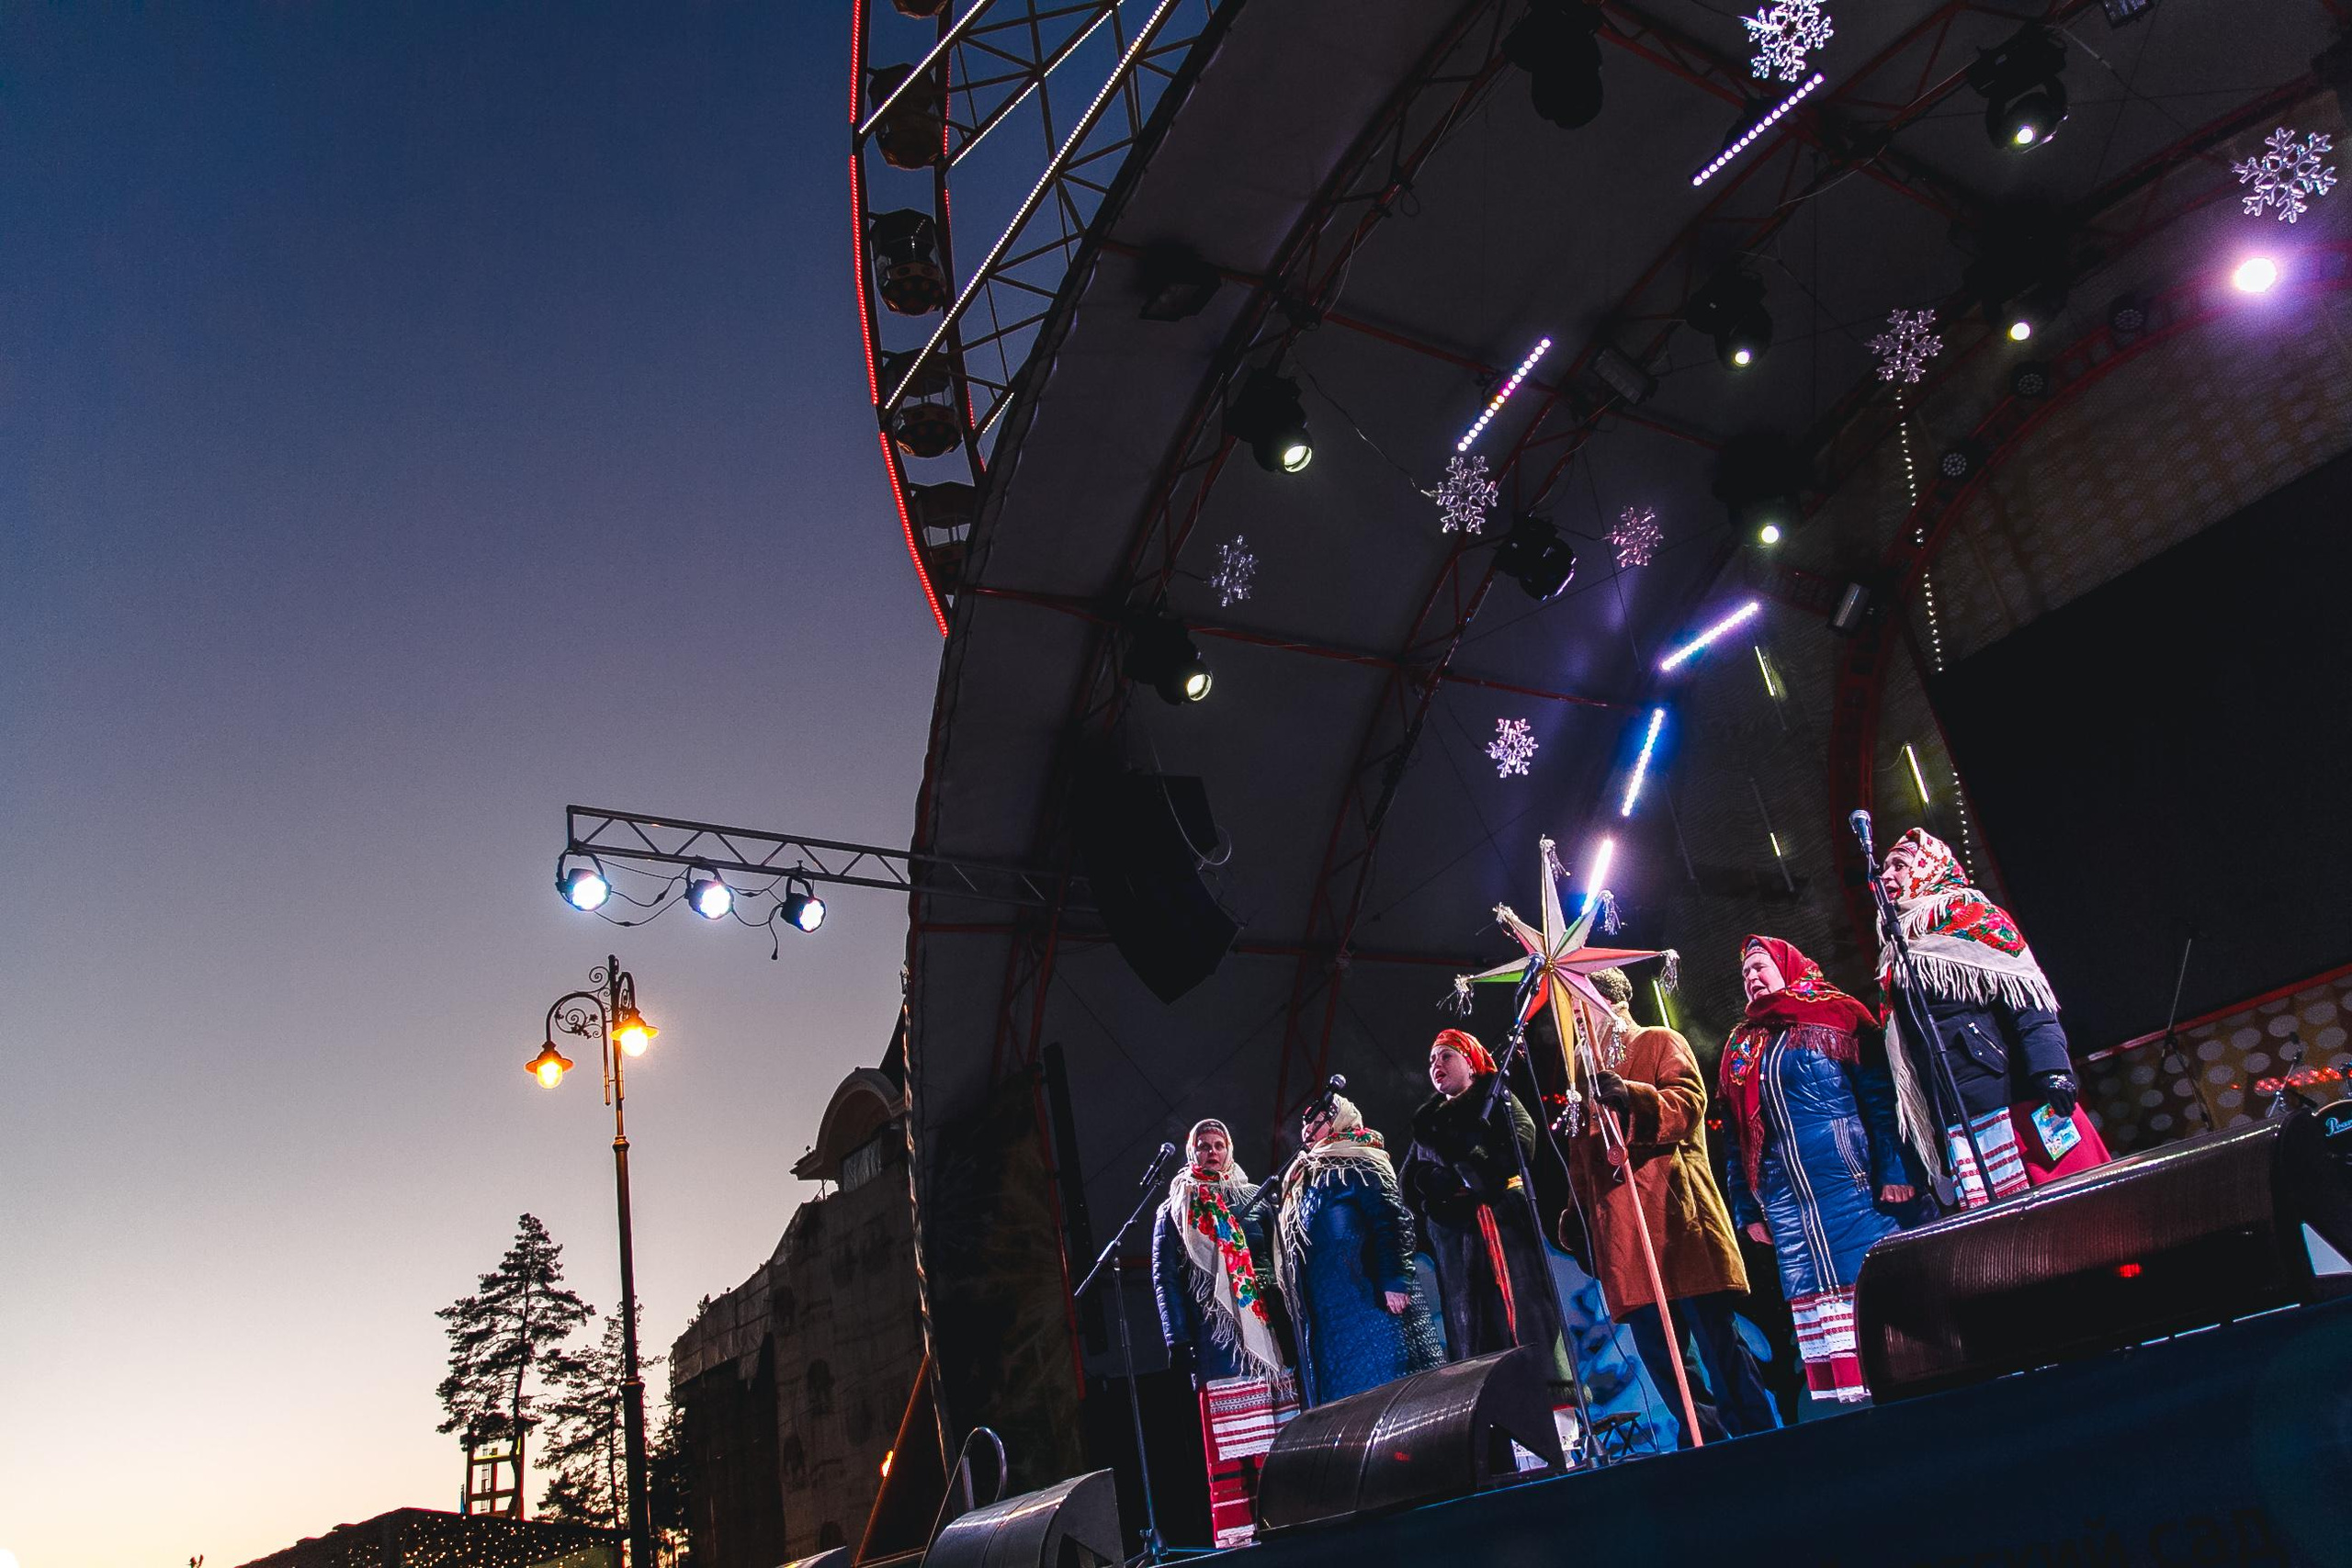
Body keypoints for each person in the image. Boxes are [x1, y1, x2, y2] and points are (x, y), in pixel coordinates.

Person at [1559, 970, 1778, 1443]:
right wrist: (1580, 1220)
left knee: (1717, 1340)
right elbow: (1582, 1160)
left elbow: (1689, 1103)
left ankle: (1757, 1435)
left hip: (1677, 1217)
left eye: (1581, 1007)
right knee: (1661, 1352)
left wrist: (1633, 1095)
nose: (1576, 1020)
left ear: (1610, 1002)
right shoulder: (1582, 1079)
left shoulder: (1657, 1040)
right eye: (1571, 1012)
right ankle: (1703, 1439)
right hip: (1625, 1232)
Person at [1719, 936, 1916, 1406]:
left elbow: (1881, 1098)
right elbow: (1735, 1135)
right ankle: (1855, 1419)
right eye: (1745, 973)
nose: (1752, 977)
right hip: (1788, 1205)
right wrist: (1747, 1206)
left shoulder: (1837, 1013)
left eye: (1760, 966)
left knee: (1876, 1296)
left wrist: (1894, 1167)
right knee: (1824, 1325)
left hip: (1855, 1188)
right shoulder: (1741, 1047)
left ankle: (1911, 1395)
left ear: (1788, 966)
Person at [1876, 828, 2110, 1208]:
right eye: (1884, 869)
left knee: (2067, 1208)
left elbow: (2028, 999)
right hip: (1957, 1107)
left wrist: (2052, 1069)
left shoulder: (1972, 913)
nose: (1886, 877)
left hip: (2011, 1096)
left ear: (1928, 868)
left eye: (1898, 866)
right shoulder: (1894, 946)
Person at [1398, 1029, 1571, 1392]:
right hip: (1456, 1243)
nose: (1437, 1065)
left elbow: (1522, 1143)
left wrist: (1476, 1173)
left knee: (1522, 1316)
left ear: (1471, 1063)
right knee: (1469, 1326)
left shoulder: (1496, 1099)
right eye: (1432, 1060)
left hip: (1504, 1228)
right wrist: (1440, 1184)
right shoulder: (1427, 1123)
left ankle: (1550, 1405)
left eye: (1447, 1056)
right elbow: (1410, 1181)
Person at [1150, 1118, 1295, 1549]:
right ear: (1190, 1151)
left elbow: (1278, 1259)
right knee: (1234, 1450)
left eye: (1218, 1145)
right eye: (1203, 1146)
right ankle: (1239, 1544)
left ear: (1228, 1149)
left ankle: (1287, 1527)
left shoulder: (1254, 1198)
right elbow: (1166, 1281)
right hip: (1217, 1344)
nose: (1211, 1152)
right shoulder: (1174, 1209)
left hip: (1266, 1339)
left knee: (1275, 1442)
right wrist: (1176, 1338)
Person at [1274, 1095, 1443, 1406]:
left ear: (1341, 1119)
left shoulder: (1361, 1159)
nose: (1309, 1128)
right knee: (1346, 1399)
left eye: (1319, 1120)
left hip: (1369, 1297)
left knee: (1386, 1388)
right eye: (1306, 1123)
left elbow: (1391, 1218)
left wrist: (1395, 1280)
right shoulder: (1302, 1175)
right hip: (1329, 1310)